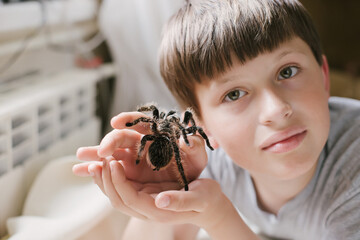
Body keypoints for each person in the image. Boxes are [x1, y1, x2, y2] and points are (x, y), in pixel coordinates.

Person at [73, 0, 360, 239]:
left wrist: (219, 218)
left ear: (324, 77)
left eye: (287, 72)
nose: (275, 110)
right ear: (202, 126)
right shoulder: (208, 162)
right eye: (234, 94)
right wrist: (163, 202)